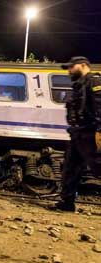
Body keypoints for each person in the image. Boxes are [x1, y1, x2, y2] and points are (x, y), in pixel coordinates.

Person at [50, 56, 101, 212]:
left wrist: (99, 131)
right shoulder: (78, 85)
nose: (69, 71)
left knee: (98, 166)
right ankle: (67, 203)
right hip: (78, 133)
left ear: (83, 65)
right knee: (70, 169)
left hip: (91, 133)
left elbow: (100, 106)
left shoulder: (95, 81)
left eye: (72, 67)